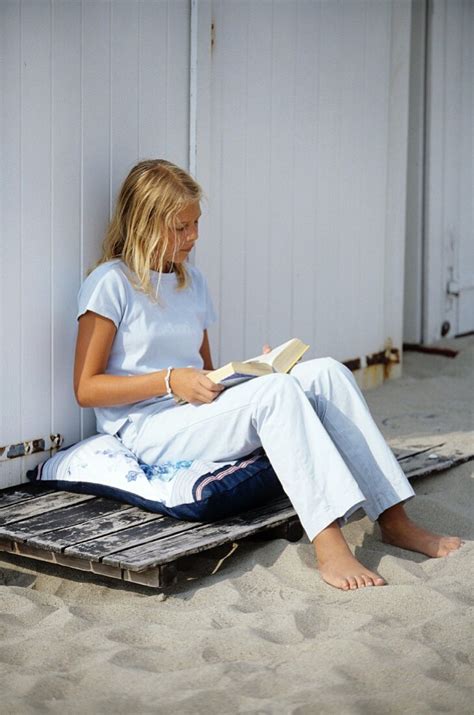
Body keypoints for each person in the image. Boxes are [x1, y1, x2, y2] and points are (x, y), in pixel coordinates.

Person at [74, 159, 462, 591]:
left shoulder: (191, 282)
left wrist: (254, 373)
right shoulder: (110, 283)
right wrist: (169, 380)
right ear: (146, 224)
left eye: (196, 223)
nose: (195, 236)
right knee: (277, 393)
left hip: (190, 412)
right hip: (145, 427)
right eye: (181, 227)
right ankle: (329, 541)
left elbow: (203, 373)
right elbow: (86, 389)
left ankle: (394, 519)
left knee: (326, 373)